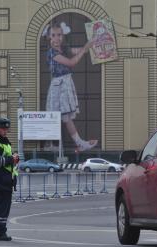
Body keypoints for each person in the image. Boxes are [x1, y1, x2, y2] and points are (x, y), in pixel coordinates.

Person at [43, 22, 98, 152]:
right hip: (59, 85)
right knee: (56, 116)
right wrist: (85, 48)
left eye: (59, 35)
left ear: (63, 36)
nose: (57, 38)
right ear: (49, 37)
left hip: (66, 83)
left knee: (66, 117)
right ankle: (51, 143)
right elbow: (71, 62)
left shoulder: (64, 49)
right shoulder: (52, 53)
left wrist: (90, 44)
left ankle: (79, 143)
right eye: (54, 35)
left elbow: (77, 51)